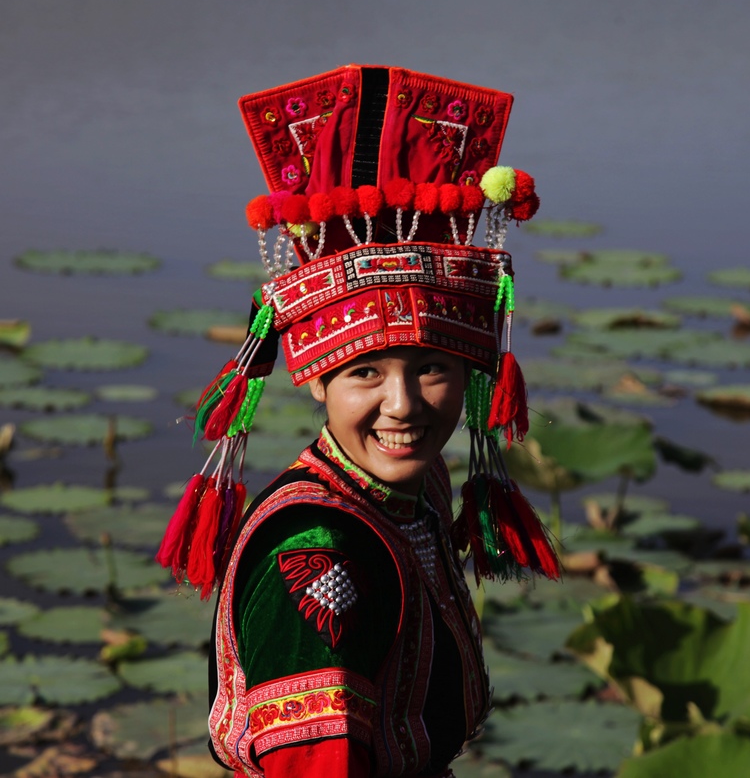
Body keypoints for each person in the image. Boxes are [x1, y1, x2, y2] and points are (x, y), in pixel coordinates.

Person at [156, 64, 558, 778]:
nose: (402, 403)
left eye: (431, 368)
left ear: (471, 373)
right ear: (314, 379)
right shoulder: (319, 551)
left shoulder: (418, 488)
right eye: (365, 372)